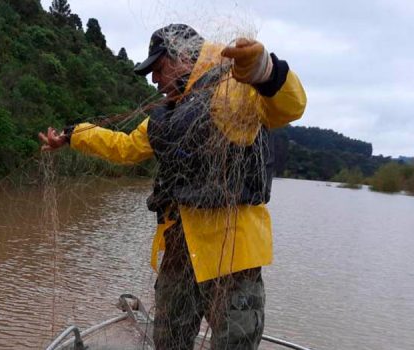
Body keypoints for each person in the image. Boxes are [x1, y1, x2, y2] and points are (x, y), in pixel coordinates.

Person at [39, 24, 306, 349]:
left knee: (236, 342)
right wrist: (71, 135)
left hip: (232, 255)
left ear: (183, 57)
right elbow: (123, 147)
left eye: (158, 68)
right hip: (179, 250)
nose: (153, 80)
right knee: (168, 341)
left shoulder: (238, 88)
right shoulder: (163, 118)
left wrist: (265, 70)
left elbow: (289, 107)